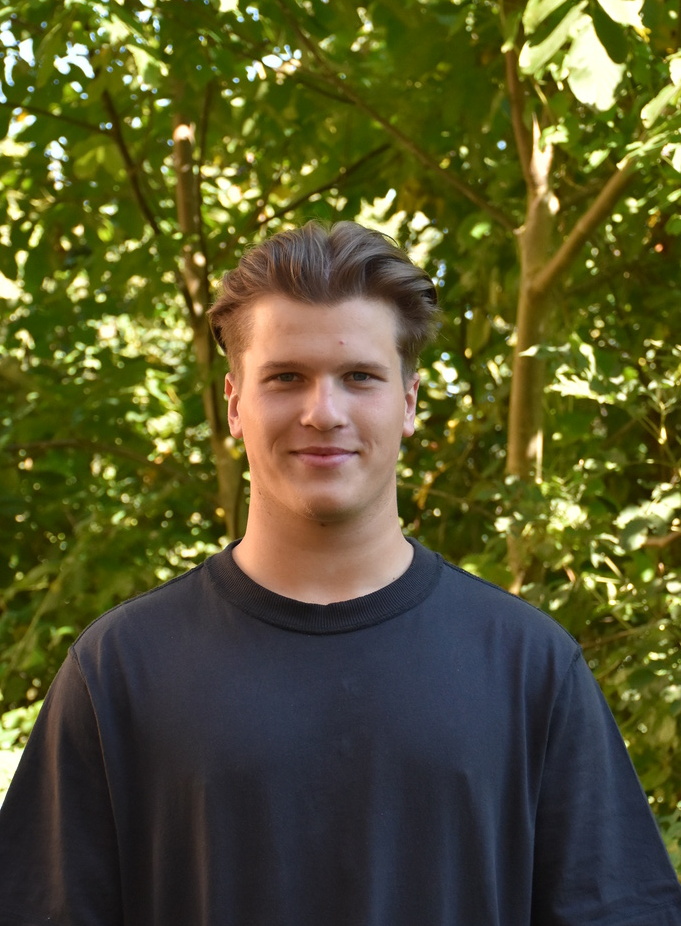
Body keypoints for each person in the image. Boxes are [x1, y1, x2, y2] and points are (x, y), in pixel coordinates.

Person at [0, 221, 680, 926]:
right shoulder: (121, 671)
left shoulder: (529, 667)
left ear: (408, 403)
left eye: (359, 377)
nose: (323, 413)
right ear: (234, 403)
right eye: (285, 378)